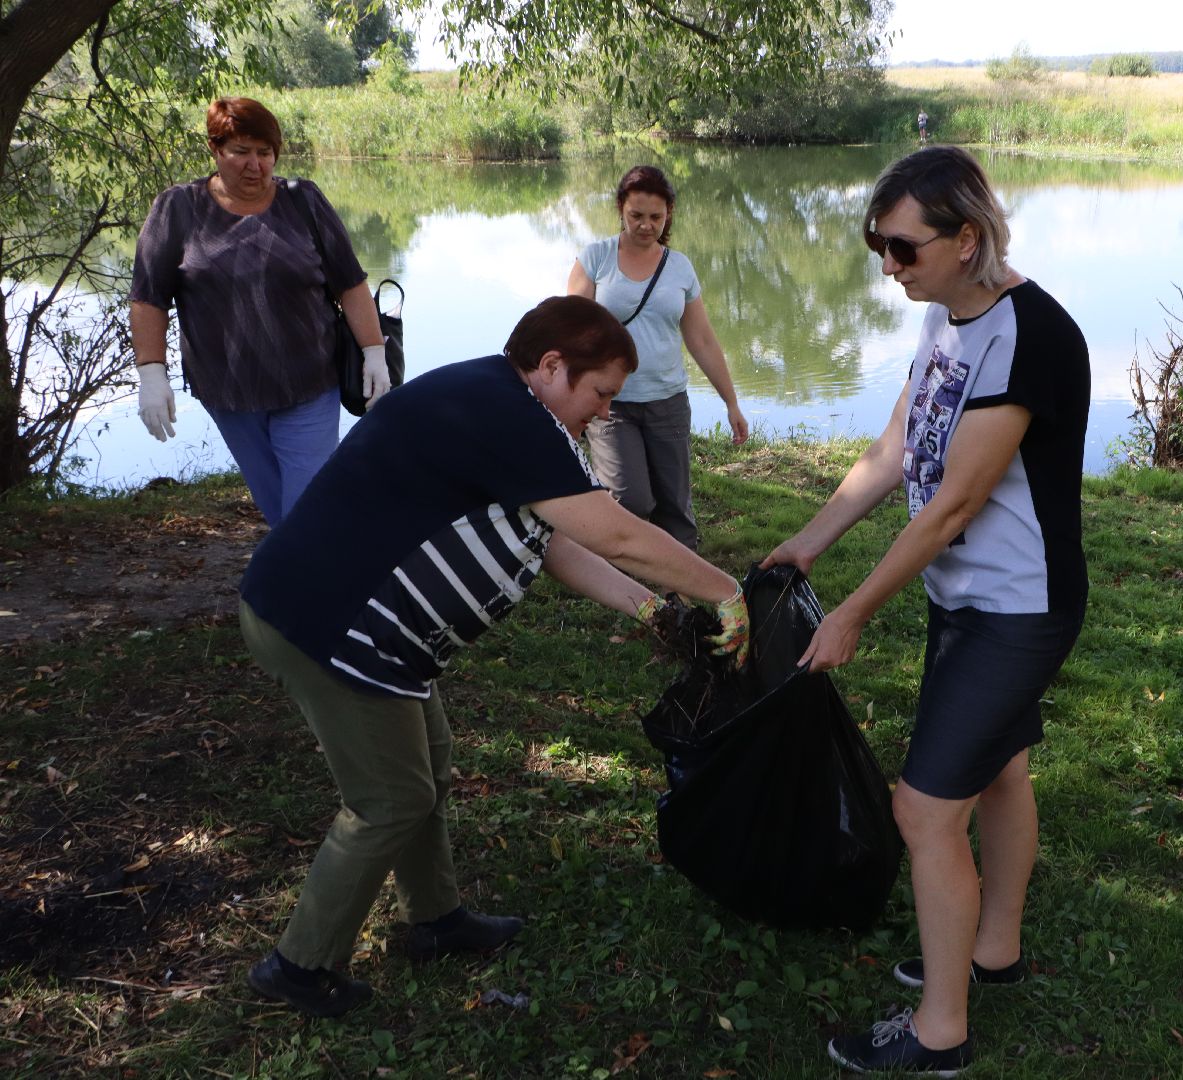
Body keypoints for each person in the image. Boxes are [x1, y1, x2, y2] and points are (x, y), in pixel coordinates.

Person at [236, 296, 750, 1016]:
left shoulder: (508, 407)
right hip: (325, 625)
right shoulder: (504, 412)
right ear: (550, 367)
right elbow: (618, 534)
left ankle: (435, 922)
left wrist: (656, 611)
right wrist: (724, 590)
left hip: (381, 637)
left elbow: (560, 542)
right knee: (391, 798)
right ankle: (296, 967)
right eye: (600, 393)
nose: (604, 414)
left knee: (428, 767)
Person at [762, 146, 1089, 1074]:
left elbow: (953, 507)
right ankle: (994, 951)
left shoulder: (1029, 334)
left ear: (967, 238)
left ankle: (940, 1033)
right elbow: (898, 448)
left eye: (902, 248)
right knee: (1000, 774)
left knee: (923, 811)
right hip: (971, 602)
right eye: (879, 246)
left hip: (1018, 608)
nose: (888, 267)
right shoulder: (946, 314)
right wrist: (812, 540)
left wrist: (855, 610)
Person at [131, 96, 391, 527]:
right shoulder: (178, 209)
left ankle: (306, 588)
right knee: (279, 507)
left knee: (308, 506)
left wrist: (374, 350)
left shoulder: (302, 201)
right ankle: (302, 580)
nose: (255, 165)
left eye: (265, 153)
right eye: (241, 152)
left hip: (310, 380)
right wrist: (151, 373)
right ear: (215, 150)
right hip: (228, 391)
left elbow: (350, 282)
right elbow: (148, 298)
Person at [566, 164, 748, 551]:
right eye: (636, 215)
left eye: (656, 217)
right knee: (631, 499)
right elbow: (567, 331)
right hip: (610, 405)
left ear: (668, 215)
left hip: (668, 401)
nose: (646, 225)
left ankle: (681, 587)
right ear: (620, 209)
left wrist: (731, 401)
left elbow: (702, 340)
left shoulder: (679, 267)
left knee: (674, 505)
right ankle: (630, 572)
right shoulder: (596, 259)